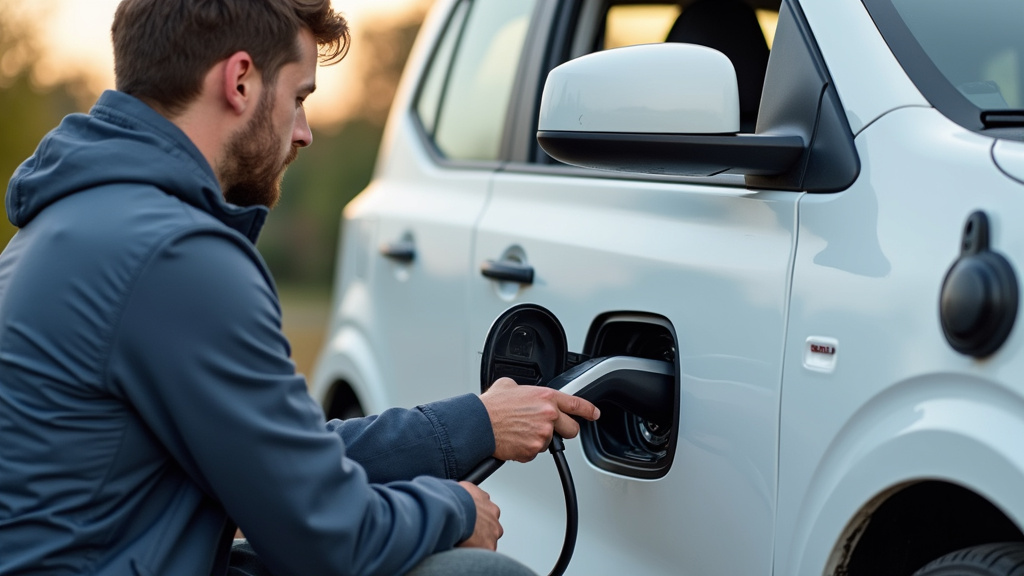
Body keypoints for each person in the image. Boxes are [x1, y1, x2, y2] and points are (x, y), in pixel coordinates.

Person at [0, 1, 600, 575]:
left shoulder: (79, 223)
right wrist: (458, 507)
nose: (305, 131)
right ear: (240, 82)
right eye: (298, 98)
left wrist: (478, 422)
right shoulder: (175, 255)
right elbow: (329, 538)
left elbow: (284, 456)